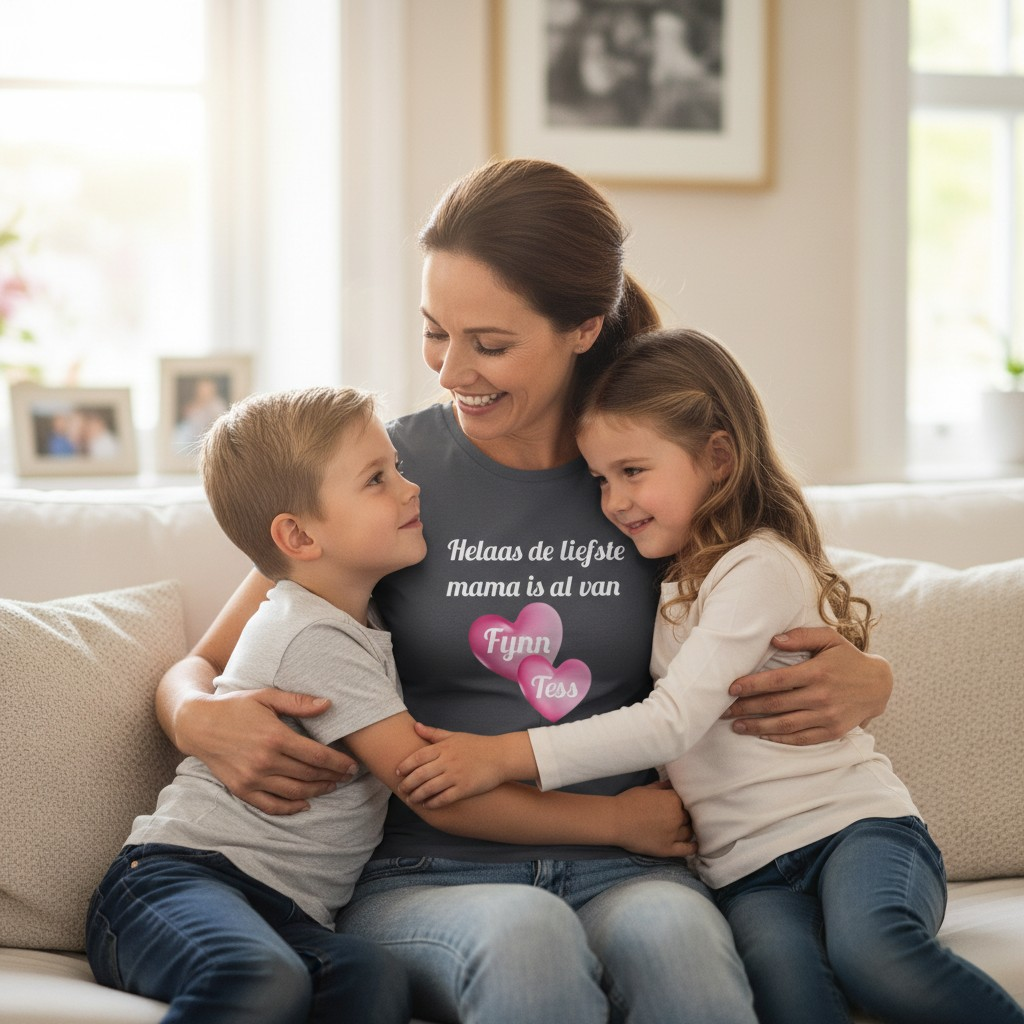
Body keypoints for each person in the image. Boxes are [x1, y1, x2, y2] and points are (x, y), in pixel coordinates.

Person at [156, 158, 893, 1024]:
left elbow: (774, 597)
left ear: (584, 327)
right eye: (435, 331)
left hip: (631, 862)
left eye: (490, 343)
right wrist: (193, 717)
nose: (449, 369)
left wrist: (874, 681)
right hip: (424, 873)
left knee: (682, 942)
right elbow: (209, 660)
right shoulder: (387, 478)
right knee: (525, 936)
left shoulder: (643, 474)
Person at [394, 328, 1024, 1024]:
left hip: (853, 831)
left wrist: (503, 755)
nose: (613, 502)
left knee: (874, 954)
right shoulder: (669, 579)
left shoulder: (757, 566)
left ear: (718, 459)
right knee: (786, 991)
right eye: (601, 479)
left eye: (633, 472)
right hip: (746, 872)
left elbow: (672, 721)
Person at [87, 385, 689, 1024]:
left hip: (284, 909)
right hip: (175, 881)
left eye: (397, 468)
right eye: (378, 479)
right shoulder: (310, 634)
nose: (411, 487)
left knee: (369, 980)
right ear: (297, 534)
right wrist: (618, 822)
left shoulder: (351, 616)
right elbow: (432, 788)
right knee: (251, 977)